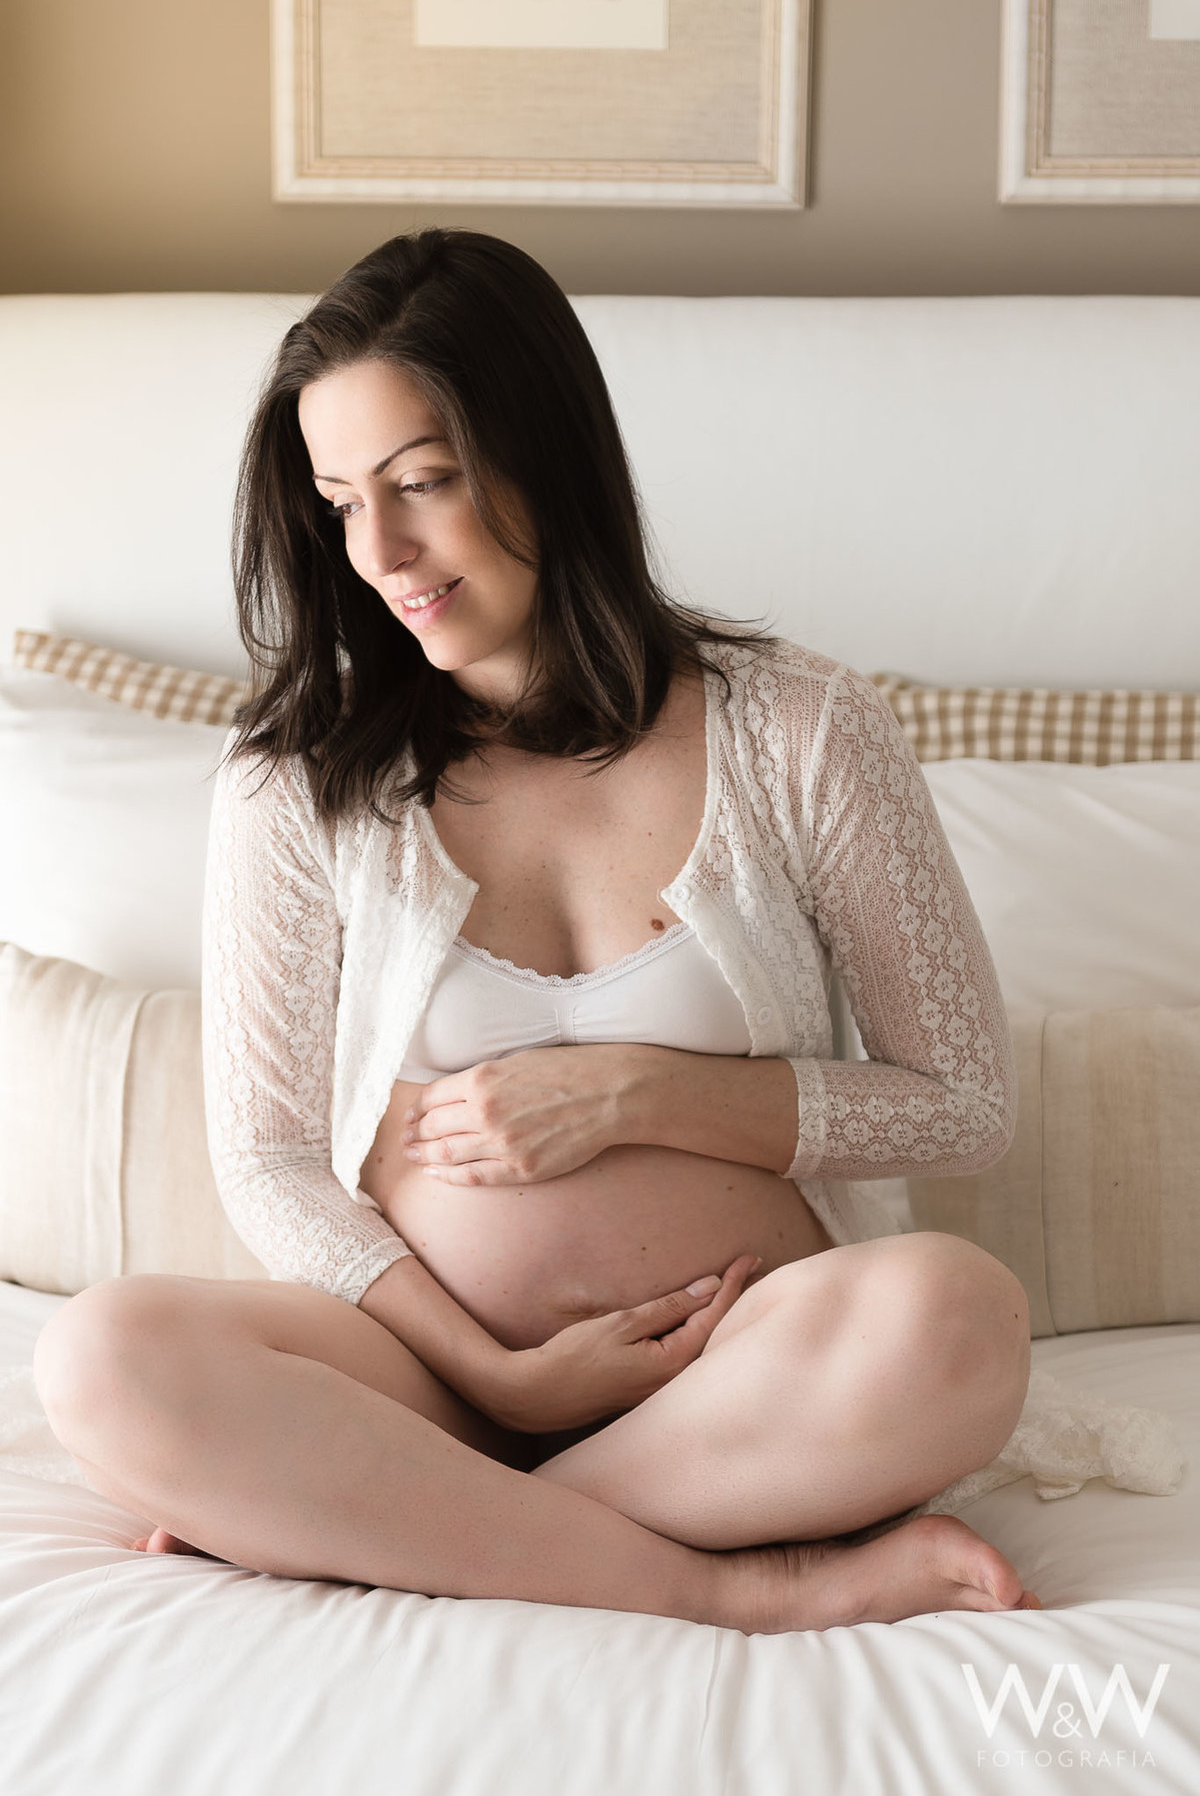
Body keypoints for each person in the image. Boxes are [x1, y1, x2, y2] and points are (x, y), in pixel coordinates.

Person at [33, 228, 1039, 1633]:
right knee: (99, 1355)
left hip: (739, 1373)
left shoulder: (803, 730)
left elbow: (966, 1104)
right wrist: (499, 1380)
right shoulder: (297, 775)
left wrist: (639, 1092)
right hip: (430, 1381)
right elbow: (265, 1161)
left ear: (545, 451)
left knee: (960, 1316)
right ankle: (725, 1581)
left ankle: (404, 1518)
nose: (379, 551)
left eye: (424, 484)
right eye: (339, 502)